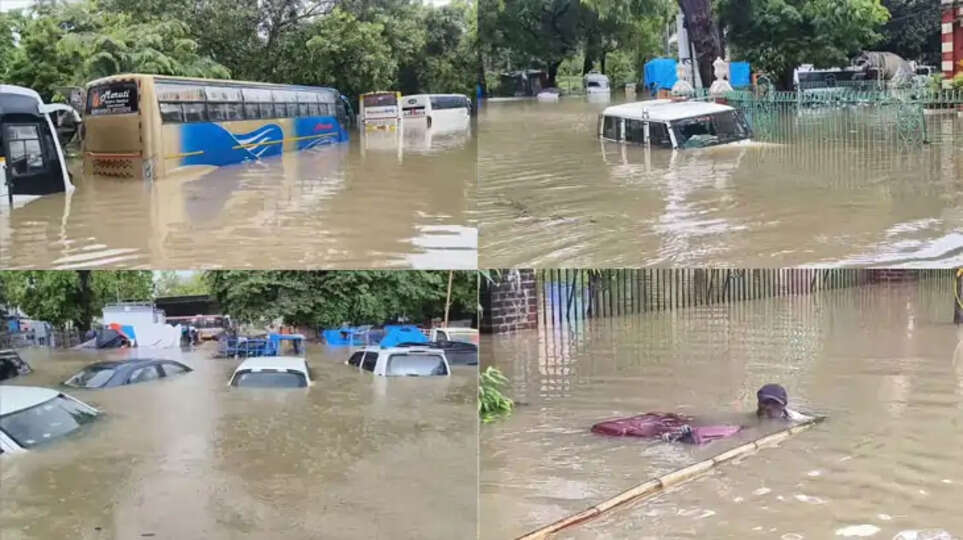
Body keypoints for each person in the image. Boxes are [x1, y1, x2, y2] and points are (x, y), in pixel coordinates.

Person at [592, 383, 809, 444]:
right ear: (759, 403)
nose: (769, 408)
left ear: (783, 406)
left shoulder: (794, 420)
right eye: (765, 403)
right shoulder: (753, 417)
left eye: (774, 405)